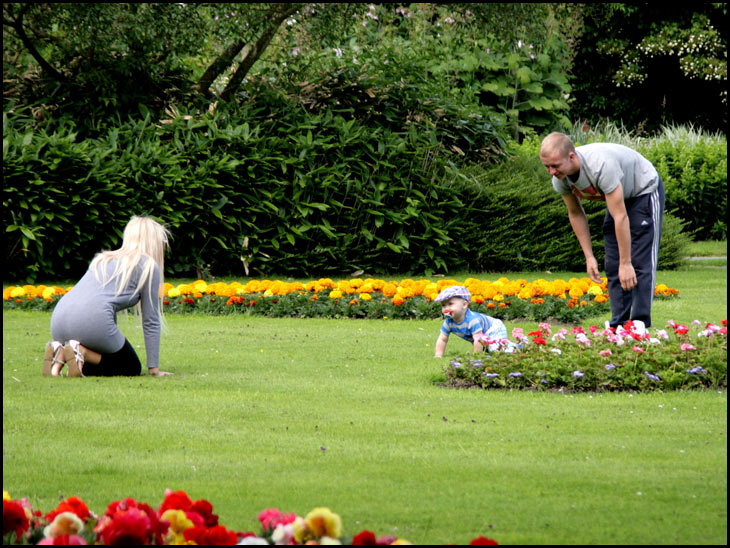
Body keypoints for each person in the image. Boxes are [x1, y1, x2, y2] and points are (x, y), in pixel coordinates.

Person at [539, 132, 665, 328]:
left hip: (643, 189)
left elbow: (621, 216)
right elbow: (576, 214)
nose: (551, 172)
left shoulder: (601, 166)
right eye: (547, 166)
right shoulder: (560, 179)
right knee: (613, 262)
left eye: (555, 166)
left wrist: (626, 263)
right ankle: (618, 325)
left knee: (639, 262)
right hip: (619, 196)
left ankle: (640, 324)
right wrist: (589, 256)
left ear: (572, 157)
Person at [44, 216, 173, 377]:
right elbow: (151, 321)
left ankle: (60, 353)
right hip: (92, 321)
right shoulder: (147, 266)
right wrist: (154, 368)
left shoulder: (102, 259)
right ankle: (80, 351)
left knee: (105, 360)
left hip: (58, 320)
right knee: (129, 367)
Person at [433, 285, 512, 357]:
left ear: (464, 305)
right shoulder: (448, 322)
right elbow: (442, 339)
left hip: (494, 327)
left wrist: (476, 358)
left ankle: (515, 349)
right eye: (443, 305)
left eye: (450, 304)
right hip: (483, 334)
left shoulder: (472, 320)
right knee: (488, 349)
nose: (446, 308)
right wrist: (438, 356)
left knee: (496, 349)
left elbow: (478, 340)